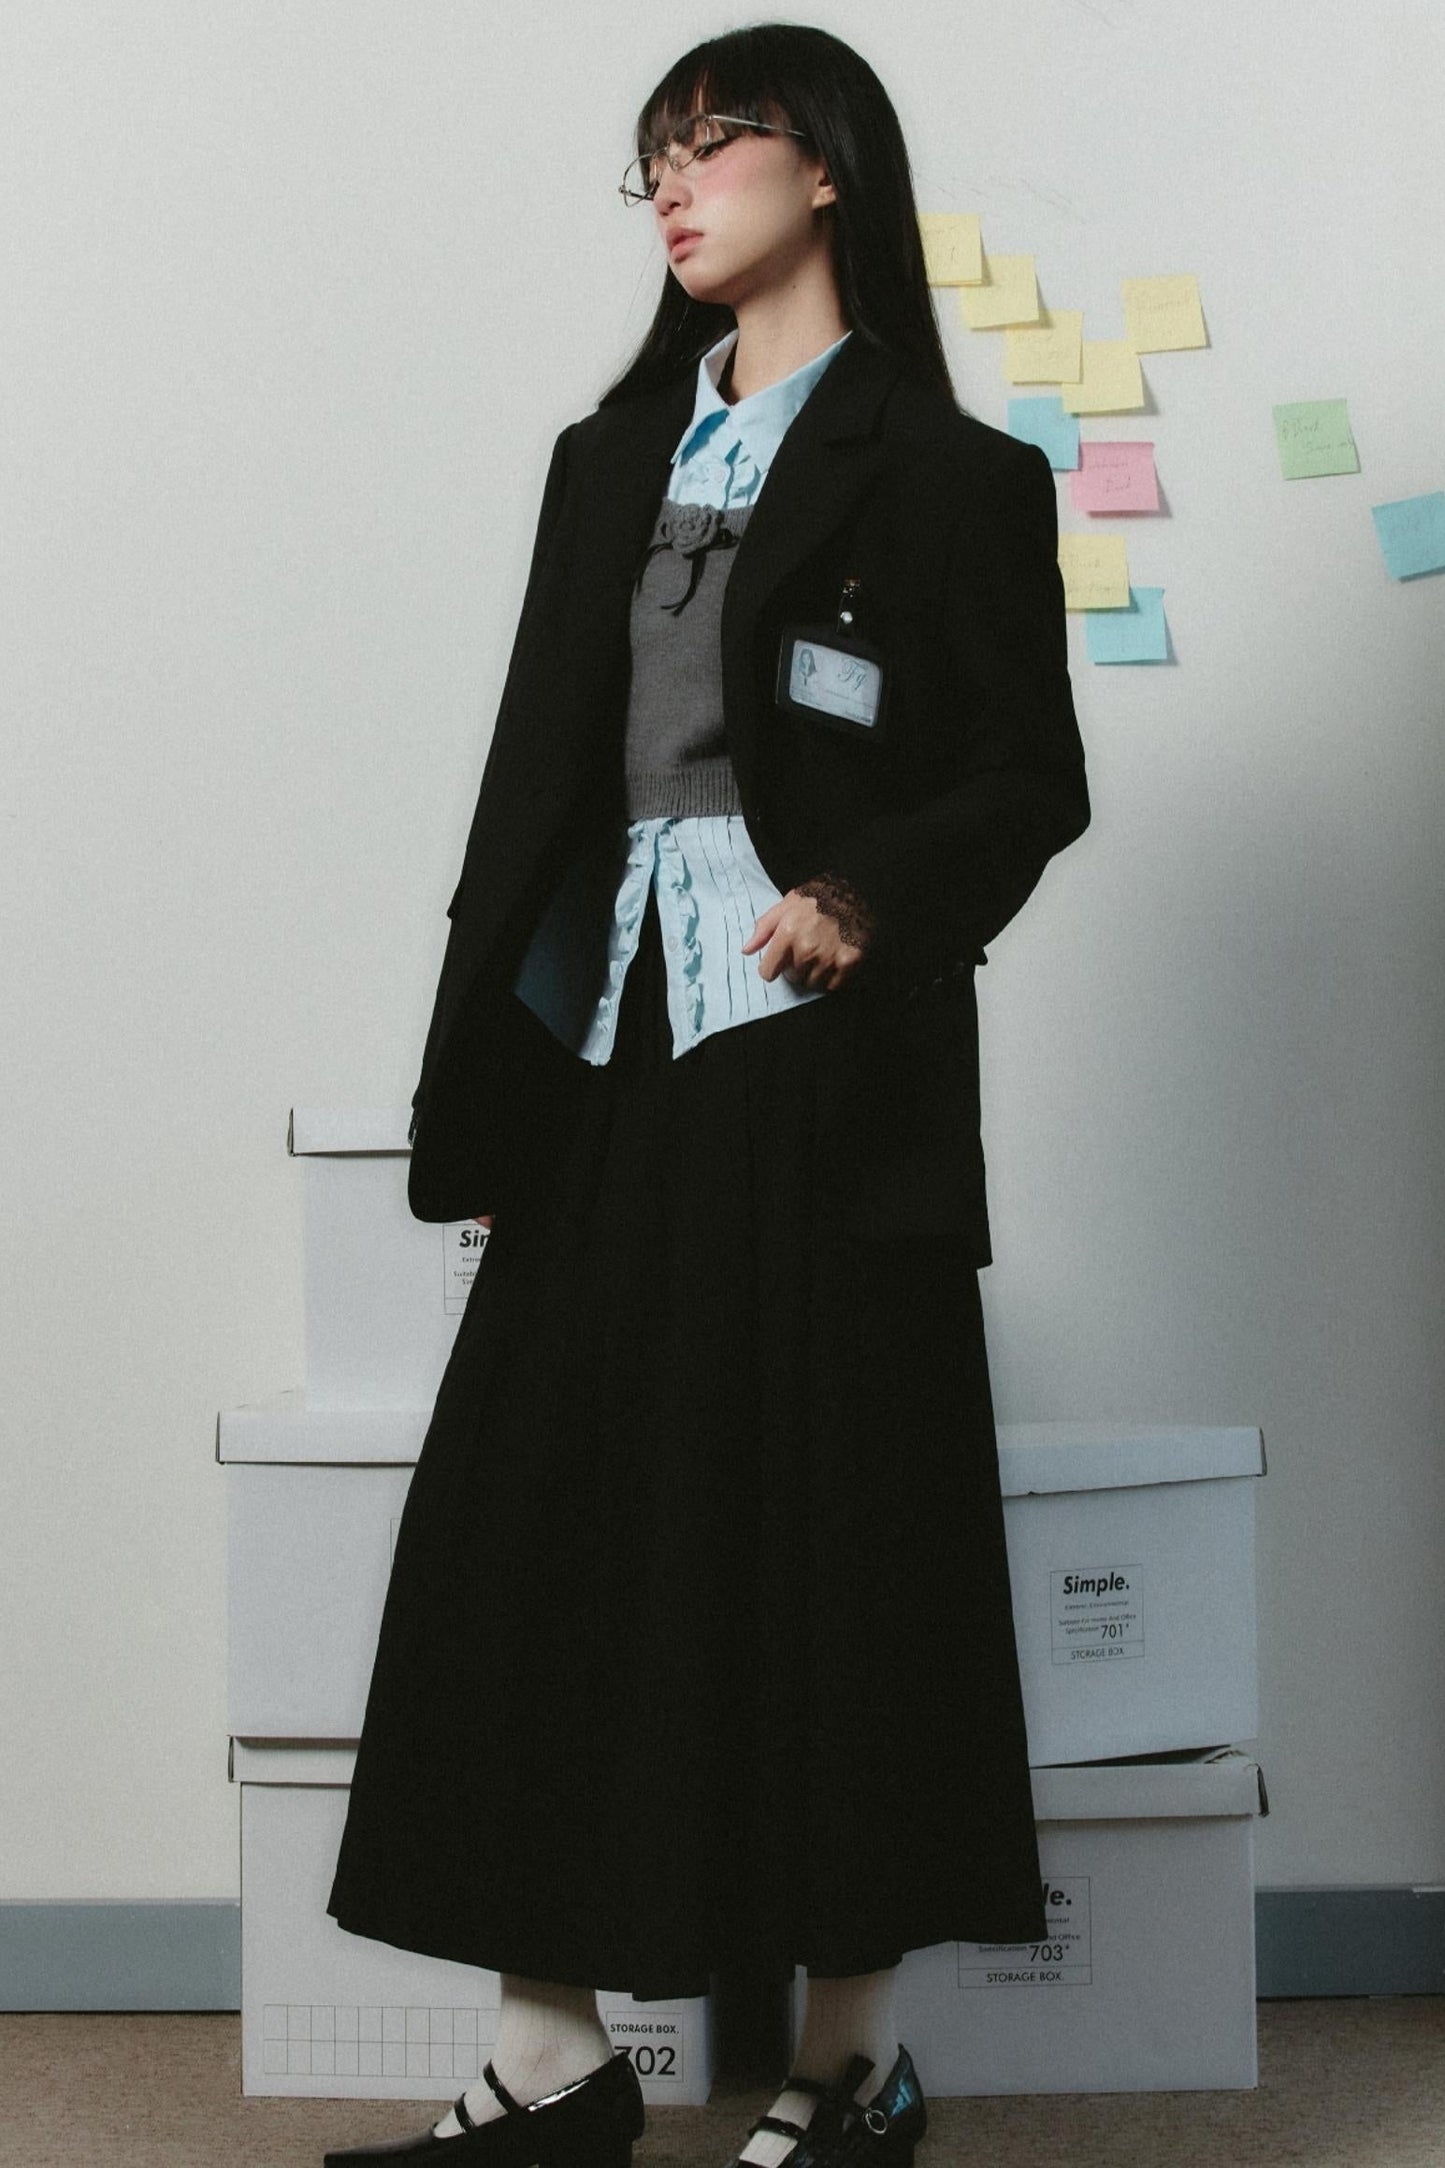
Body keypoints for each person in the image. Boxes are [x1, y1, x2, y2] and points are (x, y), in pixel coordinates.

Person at [323, 24, 1089, 2168]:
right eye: (647, 162)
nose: (670, 186)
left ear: (825, 166)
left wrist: (867, 891)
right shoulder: (607, 460)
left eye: (709, 143)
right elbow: (531, 795)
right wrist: (493, 1086)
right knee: (527, 1526)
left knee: (839, 1537)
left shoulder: (951, 478)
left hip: (821, 1072)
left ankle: (851, 2069)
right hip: (602, 1053)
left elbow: (1027, 776)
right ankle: (549, 2062)